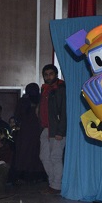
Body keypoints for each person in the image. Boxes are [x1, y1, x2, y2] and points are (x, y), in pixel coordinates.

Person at [38, 63, 67, 194]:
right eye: (46, 75)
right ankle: (53, 182)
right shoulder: (45, 89)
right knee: (44, 156)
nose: (48, 77)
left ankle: (56, 185)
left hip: (56, 130)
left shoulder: (60, 88)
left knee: (55, 157)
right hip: (46, 128)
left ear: (56, 75)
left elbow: (64, 111)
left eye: (51, 74)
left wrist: (61, 131)